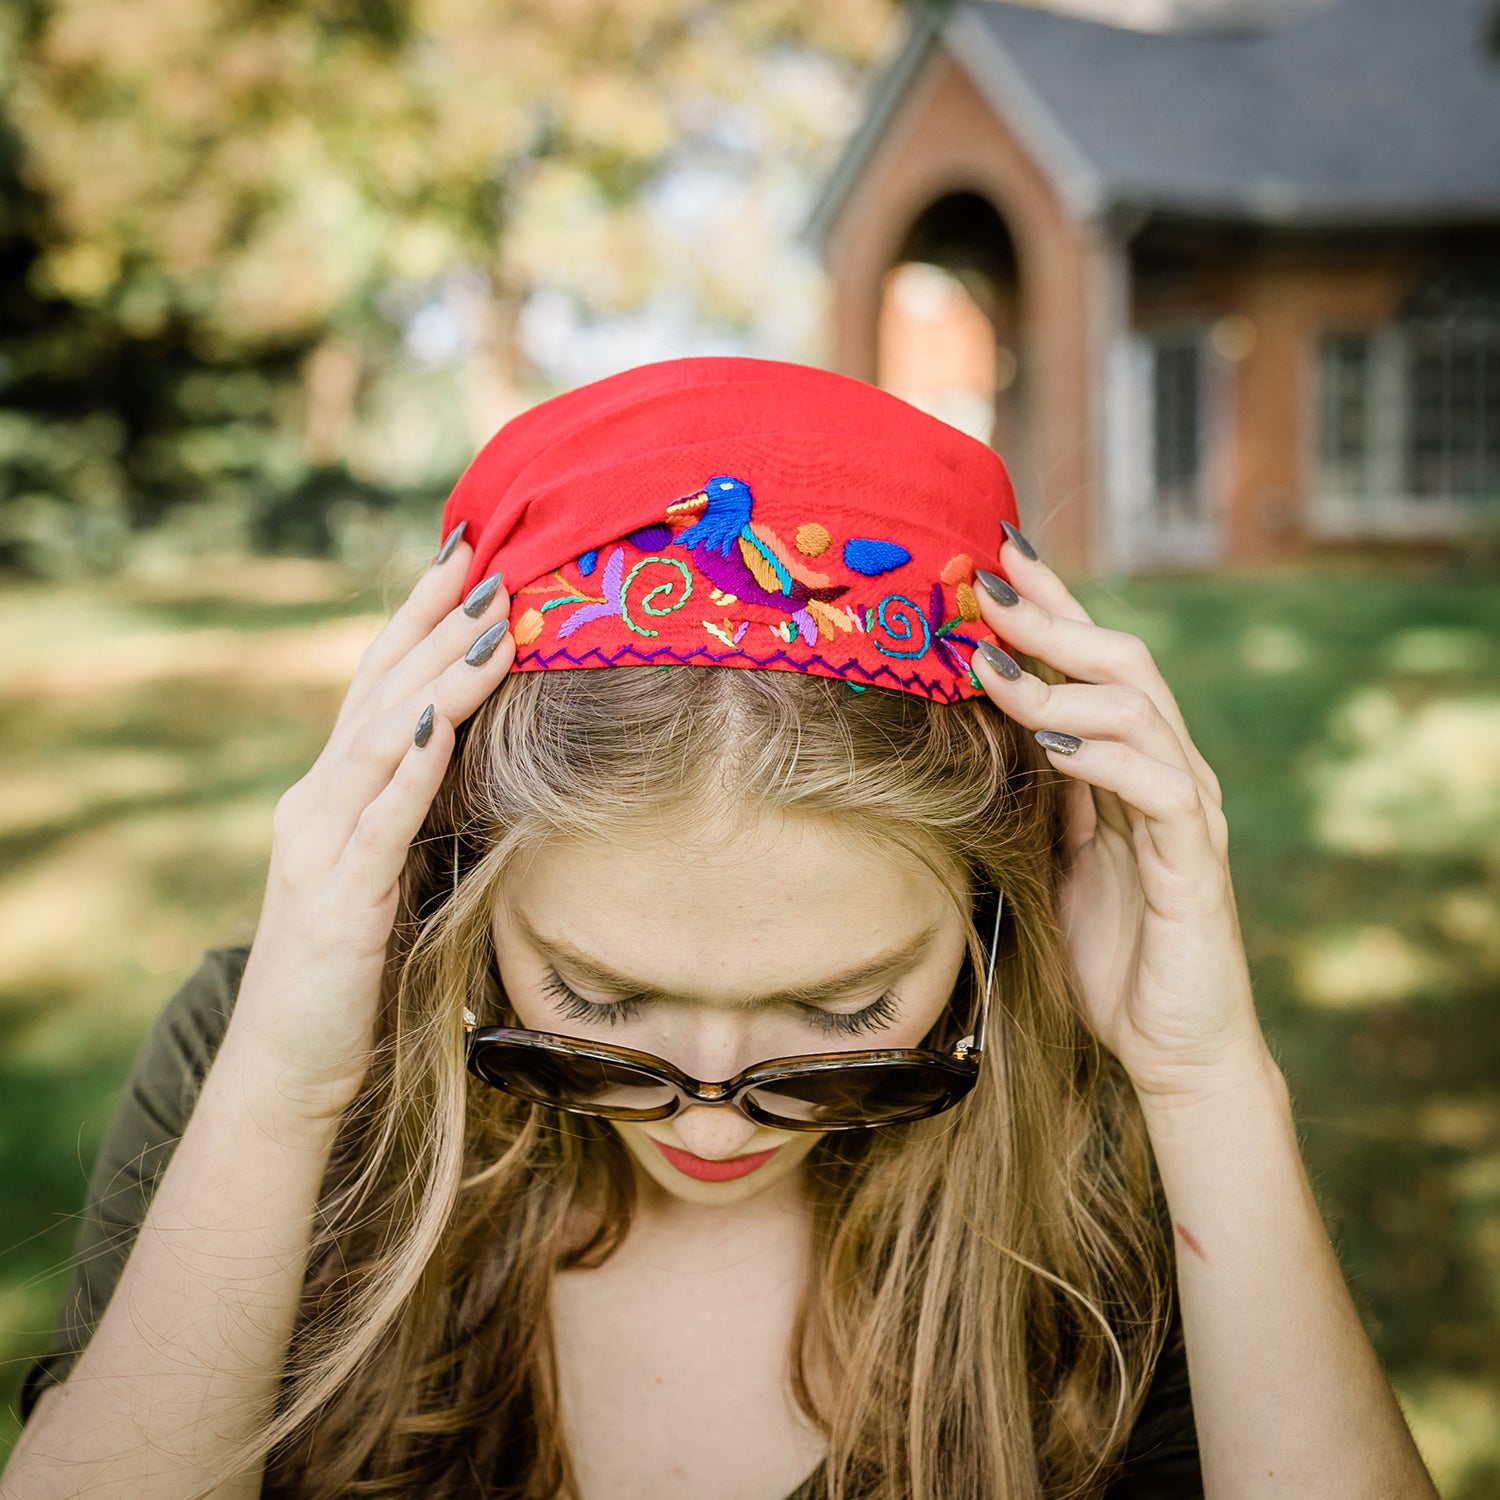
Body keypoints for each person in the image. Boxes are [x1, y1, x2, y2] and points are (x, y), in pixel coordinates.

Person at [3, 358, 1435, 1500]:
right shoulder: (269, 1061)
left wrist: (1208, 1084)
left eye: (842, 1014)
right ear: (443, 876)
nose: (712, 1110)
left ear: (1006, 895)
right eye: (596, 1003)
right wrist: (287, 1083)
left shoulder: (1107, 1138)